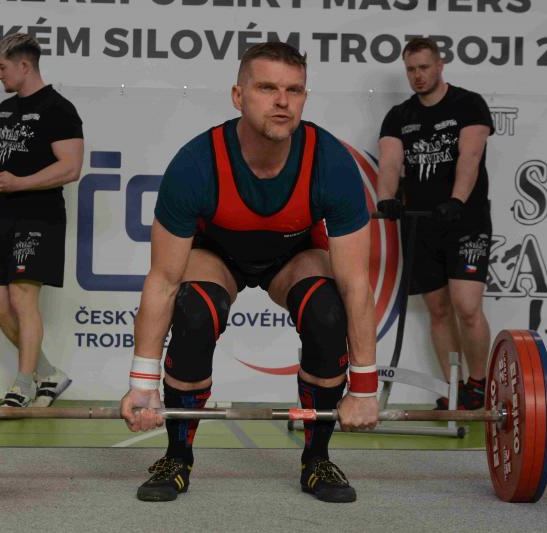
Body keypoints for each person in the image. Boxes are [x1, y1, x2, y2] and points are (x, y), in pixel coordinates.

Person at [119, 42, 378, 504]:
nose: (282, 101)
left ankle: (317, 459)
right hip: (217, 253)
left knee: (327, 311)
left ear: (304, 97)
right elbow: (162, 280)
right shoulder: (196, 164)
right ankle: (176, 457)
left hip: (293, 253)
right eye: (267, 88)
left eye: (294, 90)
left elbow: (356, 282)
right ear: (238, 96)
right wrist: (142, 385)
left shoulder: (331, 162)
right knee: (195, 313)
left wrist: (363, 388)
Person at [376, 37, 493, 410]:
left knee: (467, 306)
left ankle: (479, 383)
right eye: (411, 70)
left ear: (440, 66)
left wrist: (456, 201)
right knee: (439, 310)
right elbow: (390, 163)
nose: (417, 76)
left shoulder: (468, 104)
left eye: (424, 67)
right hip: (420, 226)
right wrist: (385, 198)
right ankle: (455, 390)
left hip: (465, 221)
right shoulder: (399, 116)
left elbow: (470, 157)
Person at [0, 33, 83, 408]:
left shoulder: (59, 109)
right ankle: (49, 372)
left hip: (40, 215)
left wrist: (20, 183)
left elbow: (71, 168)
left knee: (22, 297)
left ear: (24, 65)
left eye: (2, 68)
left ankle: (23, 385)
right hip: (4, 214)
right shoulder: (5, 109)